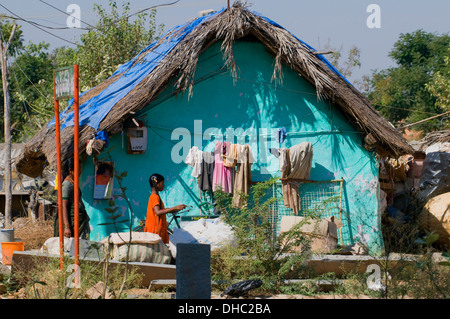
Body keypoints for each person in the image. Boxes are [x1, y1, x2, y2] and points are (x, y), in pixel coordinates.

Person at [54, 157, 90, 239]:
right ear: (70, 170)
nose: (80, 171)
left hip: (77, 223)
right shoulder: (67, 184)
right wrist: (67, 227)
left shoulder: (73, 183)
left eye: (80, 168)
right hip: (71, 224)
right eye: (78, 168)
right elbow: (63, 206)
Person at [144, 173, 186, 244]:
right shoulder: (155, 197)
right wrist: (174, 208)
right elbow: (158, 212)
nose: (164, 185)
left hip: (156, 228)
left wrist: (174, 209)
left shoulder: (155, 196)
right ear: (157, 184)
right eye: (162, 183)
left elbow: (159, 210)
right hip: (155, 230)